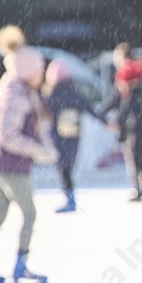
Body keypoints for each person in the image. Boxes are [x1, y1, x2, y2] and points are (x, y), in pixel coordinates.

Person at [0, 29, 57, 283]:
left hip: (5, 163)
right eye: (39, 70)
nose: (42, 75)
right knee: (30, 213)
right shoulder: (15, 93)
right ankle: (20, 267)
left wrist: (45, 147)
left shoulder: (22, 90)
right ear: (27, 71)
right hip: (10, 165)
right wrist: (38, 150)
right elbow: (6, 134)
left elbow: (35, 127)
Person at [41, 57, 104, 213]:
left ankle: (69, 198)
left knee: (62, 168)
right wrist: (106, 122)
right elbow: (90, 108)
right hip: (73, 135)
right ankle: (70, 197)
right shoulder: (74, 93)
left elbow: (41, 111)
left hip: (57, 136)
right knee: (67, 167)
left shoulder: (51, 94)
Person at [103, 45, 142, 202]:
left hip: (134, 128)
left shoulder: (127, 77)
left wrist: (107, 117)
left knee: (137, 161)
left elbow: (124, 104)